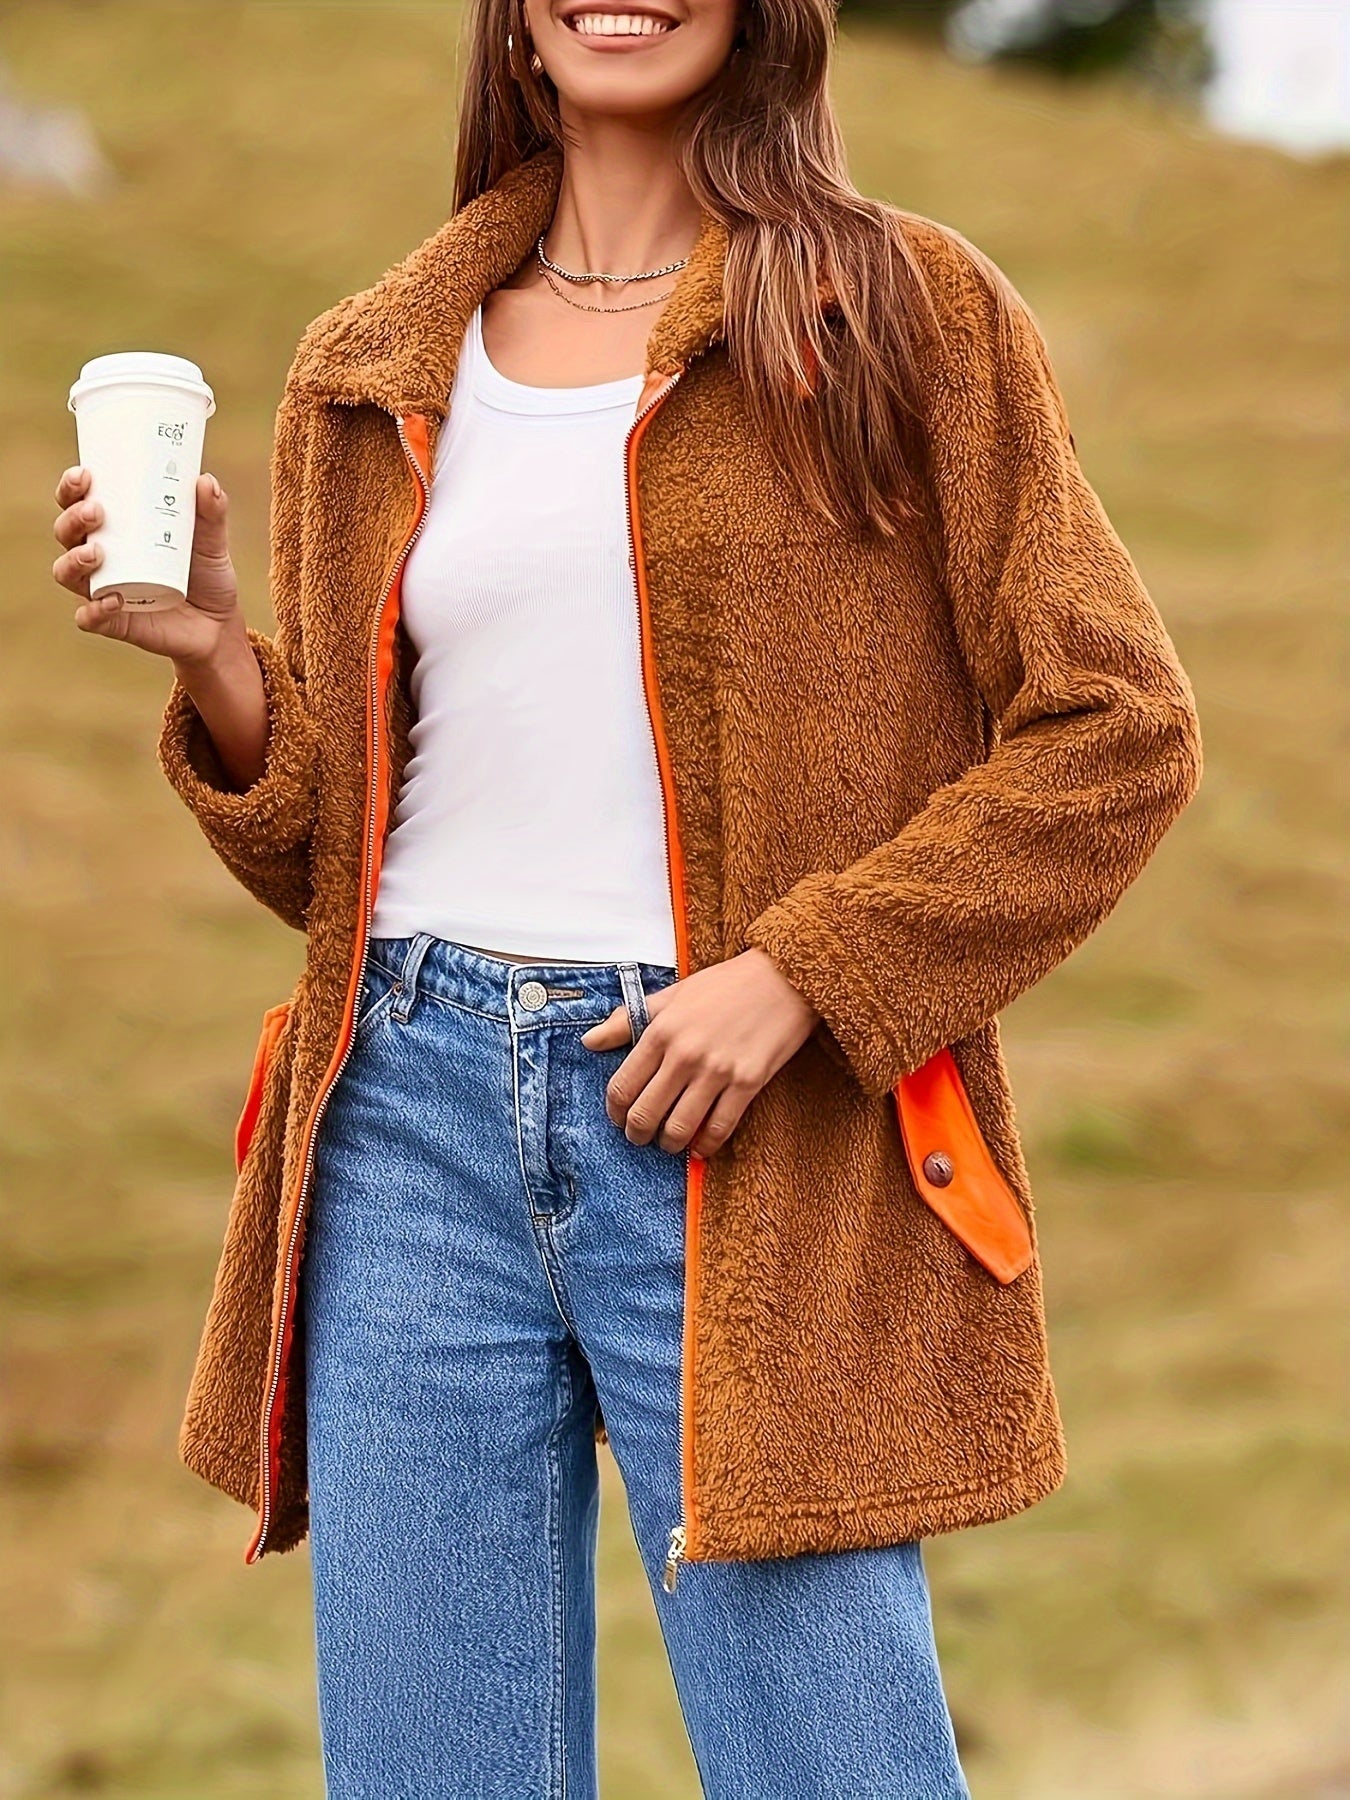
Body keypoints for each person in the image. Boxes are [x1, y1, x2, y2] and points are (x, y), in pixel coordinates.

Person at [50, 0, 1203, 1792]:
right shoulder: (370, 362)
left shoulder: (898, 311)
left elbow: (1118, 729)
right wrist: (213, 653)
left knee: (830, 1765)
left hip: (744, 1122)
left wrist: (806, 974)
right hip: (406, 1119)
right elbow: (330, 865)